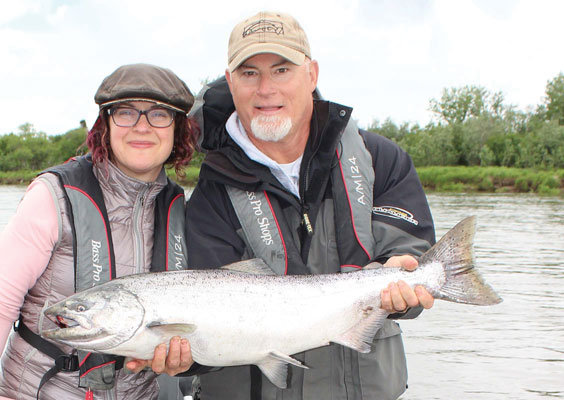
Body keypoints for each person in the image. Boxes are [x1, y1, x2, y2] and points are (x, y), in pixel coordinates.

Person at [184, 11, 437, 400]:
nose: (266, 89)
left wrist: (404, 278)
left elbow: (410, 254)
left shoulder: (380, 158)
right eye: (250, 73)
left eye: (282, 70)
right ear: (231, 82)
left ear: (312, 74)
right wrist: (182, 355)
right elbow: (208, 330)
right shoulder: (211, 194)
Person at [0, 63, 197, 400]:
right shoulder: (52, 195)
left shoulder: (181, 210)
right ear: (105, 124)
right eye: (126, 113)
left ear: (177, 129)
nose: (142, 127)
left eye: (158, 114)